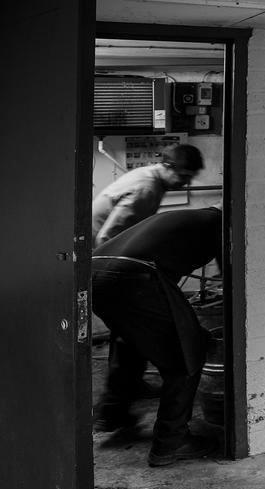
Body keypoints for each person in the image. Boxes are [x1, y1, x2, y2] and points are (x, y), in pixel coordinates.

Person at [92, 205, 222, 466]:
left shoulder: (189, 216)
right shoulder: (221, 223)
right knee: (188, 348)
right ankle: (172, 441)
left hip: (94, 272)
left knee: (129, 339)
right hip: (135, 276)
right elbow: (235, 274)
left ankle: (112, 412)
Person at [92, 144, 204, 245]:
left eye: (190, 177)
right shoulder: (146, 188)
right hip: (93, 247)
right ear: (168, 167)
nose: (188, 182)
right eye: (184, 176)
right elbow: (106, 238)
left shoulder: (151, 175)